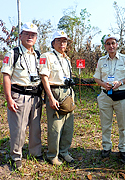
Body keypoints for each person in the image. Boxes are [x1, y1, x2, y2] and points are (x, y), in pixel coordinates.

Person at [1, 22, 42, 170]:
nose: (30, 37)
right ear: (20, 36)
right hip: (19, 95)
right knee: (18, 129)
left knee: (36, 128)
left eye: (33, 34)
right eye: (26, 33)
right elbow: (6, 76)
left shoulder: (38, 55)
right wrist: (9, 98)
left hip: (35, 96)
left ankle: (35, 153)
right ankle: (16, 156)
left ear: (36, 38)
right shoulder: (13, 53)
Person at [94, 34, 125, 162]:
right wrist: (103, 84)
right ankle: (106, 147)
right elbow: (96, 78)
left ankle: (123, 148)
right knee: (106, 124)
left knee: (122, 125)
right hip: (105, 96)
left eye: (113, 43)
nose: (111, 46)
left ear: (117, 45)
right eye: (108, 44)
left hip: (121, 97)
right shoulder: (101, 61)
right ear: (105, 46)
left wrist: (120, 83)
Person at [39, 30, 75, 165]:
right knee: (55, 126)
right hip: (55, 92)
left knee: (68, 126)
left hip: (68, 92)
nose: (62, 43)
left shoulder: (67, 58)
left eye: (64, 41)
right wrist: (51, 98)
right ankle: (52, 154)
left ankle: (64, 151)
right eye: (59, 40)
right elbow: (44, 77)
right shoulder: (47, 56)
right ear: (53, 43)